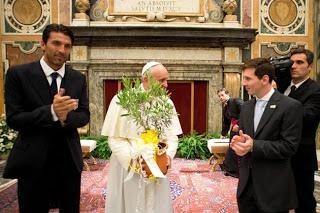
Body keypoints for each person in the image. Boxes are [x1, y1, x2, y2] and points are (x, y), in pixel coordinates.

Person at [3, 24, 90, 212]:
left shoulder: (78, 78)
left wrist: (66, 117)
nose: (62, 50)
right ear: (42, 44)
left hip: (68, 161)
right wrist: (51, 112)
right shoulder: (18, 74)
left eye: (67, 46)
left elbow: (84, 115)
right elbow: (14, 118)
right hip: (33, 160)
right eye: (56, 43)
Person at [101, 61, 182, 213]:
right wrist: (135, 161)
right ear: (145, 79)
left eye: (167, 79)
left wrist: (167, 158)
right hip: (129, 167)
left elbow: (172, 137)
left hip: (157, 165)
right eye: (161, 80)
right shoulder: (122, 100)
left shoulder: (167, 103)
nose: (166, 84)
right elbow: (115, 138)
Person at [231, 58, 303, 213]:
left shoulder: (290, 106)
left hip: (273, 190)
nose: (244, 83)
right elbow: (246, 138)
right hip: (246, 189)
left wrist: (253, 146)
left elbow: (289, 147)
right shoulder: (247, 107)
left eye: (248, 79)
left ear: (265, 79)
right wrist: (239, 142)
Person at [284, 48, 320, 213]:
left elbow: (307, 117)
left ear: (310, 66)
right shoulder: (282, 86)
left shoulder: (315, 90)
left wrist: (278, 103)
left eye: (300, 62)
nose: (294, 66)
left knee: (304, 201)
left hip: (301, 156)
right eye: (292, 62)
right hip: (278, 154)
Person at [217, 88, 243, 177]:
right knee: (232, 149)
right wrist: (223, 134)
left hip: (242, 129)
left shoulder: (236, 101)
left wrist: (239, 124)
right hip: (234, 130)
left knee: (236, 149)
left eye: (222, 95)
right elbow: (226, 123)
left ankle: (238, 172)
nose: (221, 97)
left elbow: (246, 112)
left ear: (228, 94)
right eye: (219, 96)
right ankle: (231, 171)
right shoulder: (225, 108)